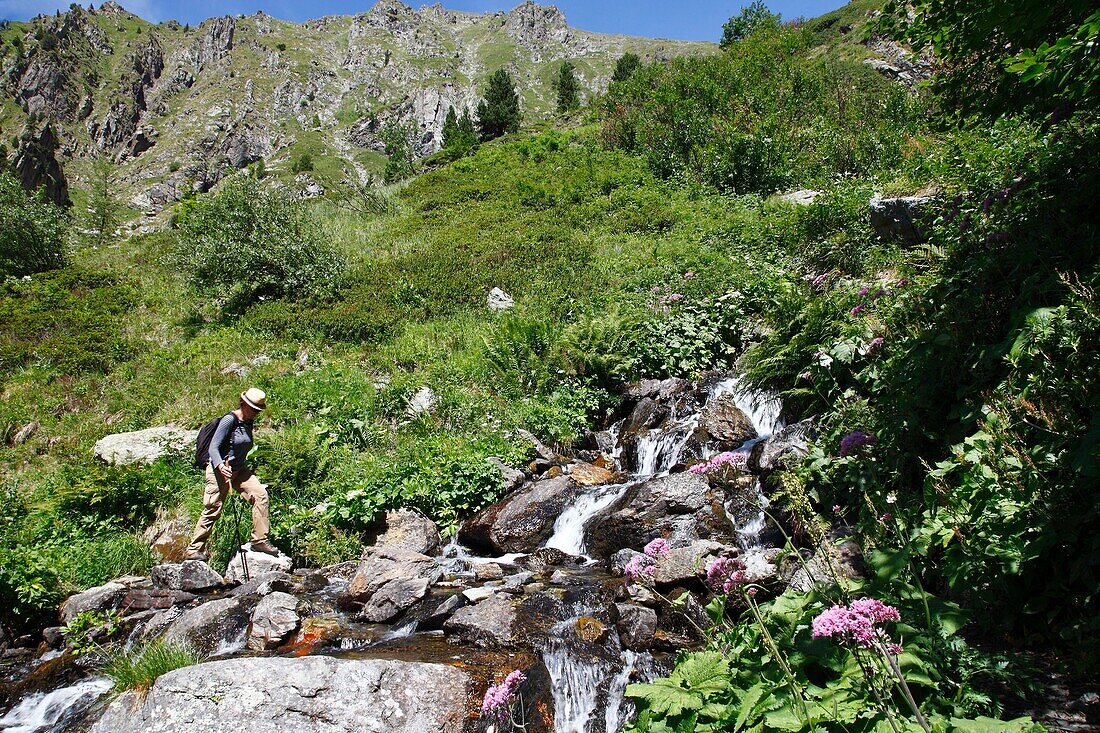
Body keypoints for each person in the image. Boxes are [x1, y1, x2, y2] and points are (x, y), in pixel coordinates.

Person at [184, 388, 278, 561]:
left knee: (260, 495)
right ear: (243, 404)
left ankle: (260, 540)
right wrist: (220, 465)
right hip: (219, 470)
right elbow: (214, 447)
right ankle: (194, 549)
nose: (256, 413)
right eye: (254, 409)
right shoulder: (229, 420)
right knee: (213, 508)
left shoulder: (248, 422)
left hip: (239, 469)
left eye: (258, 410)